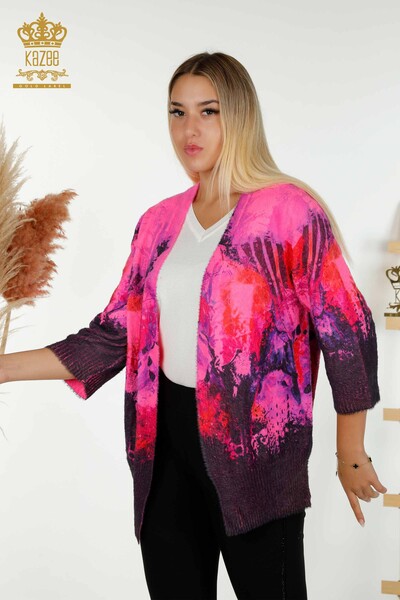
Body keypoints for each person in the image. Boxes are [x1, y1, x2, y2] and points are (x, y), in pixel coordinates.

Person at [0, 52, 387, 600]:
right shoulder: (158, 221)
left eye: (209, 111)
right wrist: (5, 368)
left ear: (240, 116)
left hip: (255, 454)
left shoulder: (289, 212)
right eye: (177, 112)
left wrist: (352, 453)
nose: (190, 130)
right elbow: (114, 333)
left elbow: (347, 329)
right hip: (163, 448)